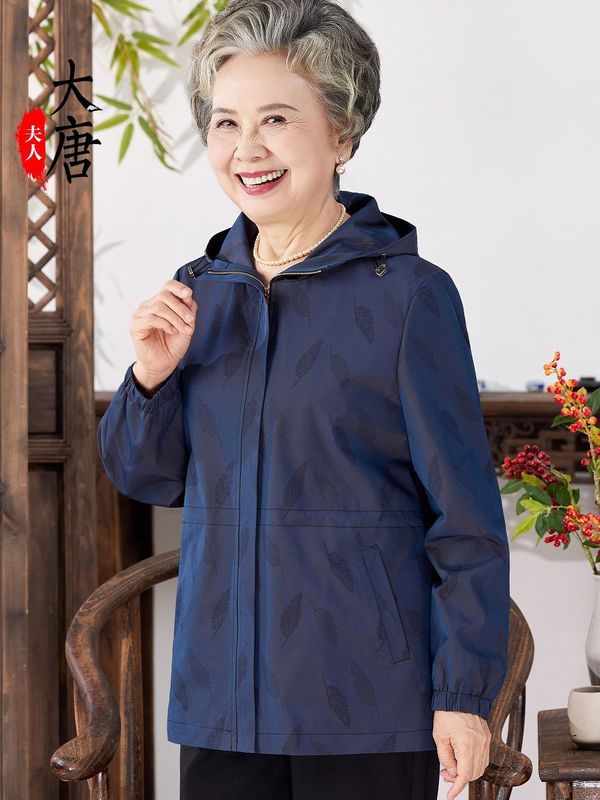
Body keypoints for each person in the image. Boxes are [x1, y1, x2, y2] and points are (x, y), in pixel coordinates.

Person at [96, 1, 511, 798]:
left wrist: (463, 696)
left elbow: (465, 522)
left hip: (367, 708)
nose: (246, 148)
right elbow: (147, 478)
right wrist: (150, 378)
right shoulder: (196, 295)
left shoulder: (410, 299)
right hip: (221, 706)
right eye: (225, 123)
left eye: (276, 119)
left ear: (342, 134)